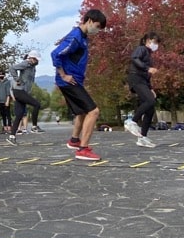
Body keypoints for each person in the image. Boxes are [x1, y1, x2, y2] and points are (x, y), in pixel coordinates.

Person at [52, 9, 108, 161]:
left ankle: (74, 141)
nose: (97, 30)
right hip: (69, 81)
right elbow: (55, 54)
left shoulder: (80, 35)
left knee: (82, 112)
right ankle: (83, 150)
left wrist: (63, 39)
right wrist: (63, 75)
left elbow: (71, 36)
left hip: (74, 80)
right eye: (97, 26)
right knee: (93, 111)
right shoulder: (77, 37)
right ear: (89, 21)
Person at [123, 32, 161, 148]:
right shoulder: (141, 49)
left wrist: (150, 88)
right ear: (148, 40)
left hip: (143, 81)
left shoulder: (149, 55)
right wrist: (147, 68)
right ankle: (131, 121)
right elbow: (134, 58)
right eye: (155, 42)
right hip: (136, 78)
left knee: (150, 109)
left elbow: (147, 75)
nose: (156, 45)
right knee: (150, 101)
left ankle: (142, 137)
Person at [6, 51, 43, 145]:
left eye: (37, 60)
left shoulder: (33, 67)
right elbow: (12, 68)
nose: (37, 61)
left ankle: (12, 136)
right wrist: (16, 79)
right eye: (35, 59)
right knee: (37, 104)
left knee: (19, 114)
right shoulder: (26, 63)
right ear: (31, 58)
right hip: (19, 91)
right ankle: (34, 127)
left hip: (23, 92)